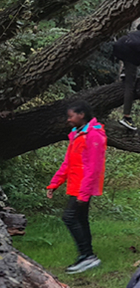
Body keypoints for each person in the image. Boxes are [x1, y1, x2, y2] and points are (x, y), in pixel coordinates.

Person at [46, 100, 106, 274]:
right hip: (75, 184)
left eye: (71, 116)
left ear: (81, 115)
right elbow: (68, 163)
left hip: (83, 186)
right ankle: (86, 255)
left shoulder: (93, 135)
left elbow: (93, 167)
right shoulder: (77, 134)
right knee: (80, 219)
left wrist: (84, 193)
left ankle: (88, 256)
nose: (69, 120)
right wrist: (54, 183)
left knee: (69, 218)